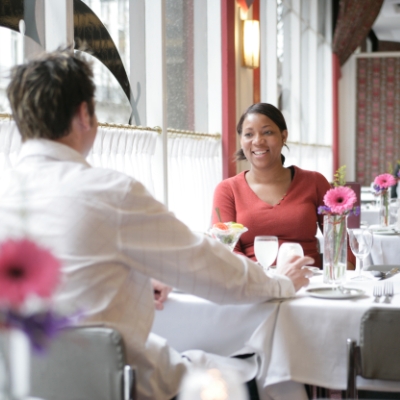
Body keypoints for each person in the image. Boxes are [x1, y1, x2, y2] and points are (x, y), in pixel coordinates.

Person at [1, 49, 313, 400]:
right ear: (85, 114)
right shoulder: (110, 193)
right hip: (119, 385)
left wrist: (134, 275)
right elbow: (209, 267)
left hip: (21, 386)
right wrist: (281, 282)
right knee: (247, 370)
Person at [212, 103, 355, 268]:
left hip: (308, 278)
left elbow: (341, 244)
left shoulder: (314, 182)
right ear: (241, 140)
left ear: (283, 136)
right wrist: (263, 278)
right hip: (254, 279)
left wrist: (338, 277)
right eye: (249, 134)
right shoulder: (227, 190)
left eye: (267, 132)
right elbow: (226, 251)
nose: (258, 141)